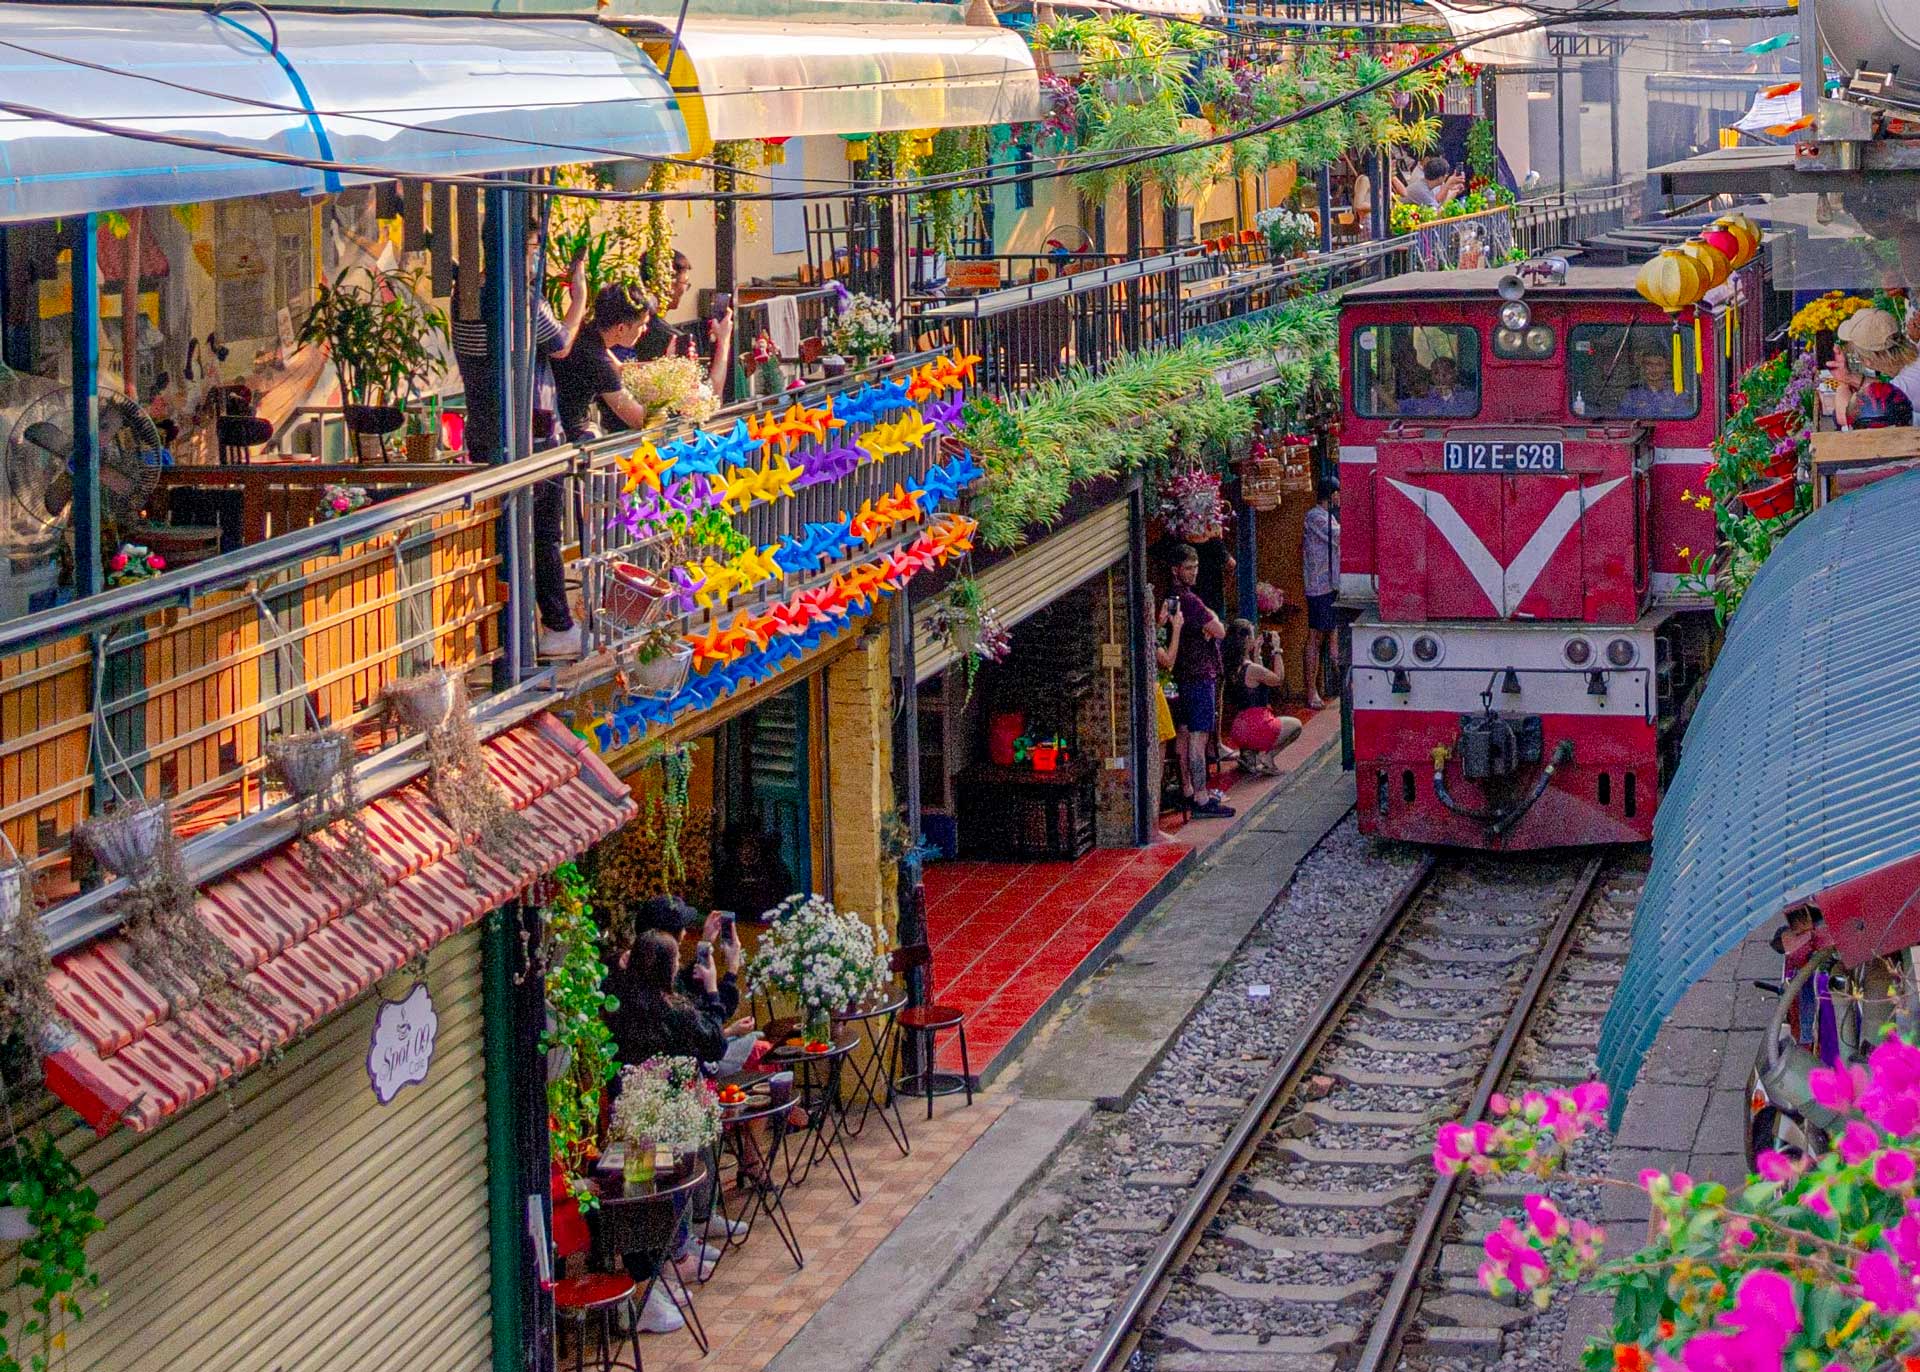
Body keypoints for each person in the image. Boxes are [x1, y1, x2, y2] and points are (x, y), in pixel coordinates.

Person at [1167, 544, 1232, 818]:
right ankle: (1202, 797)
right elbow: (1219, 630)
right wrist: (1213, 619)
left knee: (1184, 734)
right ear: (1176, 570)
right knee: (1198, 737)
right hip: (1198, 675)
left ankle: (1188, 791)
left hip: (1182, 675)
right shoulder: (1191, 601)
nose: (1193, 573)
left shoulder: (1174, 598)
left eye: (1195, 567)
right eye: (1189, 568)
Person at [551, 283, 655, 443]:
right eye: (642, 324)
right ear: (621, 328)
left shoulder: (586, 333)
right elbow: (638, 420)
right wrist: (668, 398)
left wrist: (666, 370)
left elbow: (620, 369)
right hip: (573, 439)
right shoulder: (597, 360)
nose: (645, 330)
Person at [633, 251, 736, 394]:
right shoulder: (671, 339)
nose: (684, 289)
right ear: (667, 284)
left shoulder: (624, 329)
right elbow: (709, 397)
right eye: (685, 283)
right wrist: (723, 342)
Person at [1223, 620, 1303, 775]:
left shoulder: (1235, 666)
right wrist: (1277, 650)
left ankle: (1249, 755)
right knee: (1296, 725)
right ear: (1246, 640)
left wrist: (1257, 653)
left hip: (1239, 727)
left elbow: (1258, 681)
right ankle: (1268, 757)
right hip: (1257, 725)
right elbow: (1277, 679)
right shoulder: (1252, 669)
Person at [1831, 306, 1920, 420]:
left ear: (1868, 360)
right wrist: (1849, 377)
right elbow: (1887, 388)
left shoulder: (1905, 387)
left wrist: (1842, 384)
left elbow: (1849, 420)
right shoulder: (1912, 363)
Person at [1301, 481, 1341, 710]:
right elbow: (1338, 537)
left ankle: (1338, 686)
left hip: (1331, 584)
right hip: (1319, 585)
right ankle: (1311, 690)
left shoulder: (1328, 517)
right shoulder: (1315, 517)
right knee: (1316, 637)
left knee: (1333, 634)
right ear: (1333, 495)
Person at [1617, 348, 1694, 419]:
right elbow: (1623, 419)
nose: (1654, 369)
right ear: (1643, 366)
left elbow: (1682, 421)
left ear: (1667, 367)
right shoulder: (1632, 394)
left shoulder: (1677, 392)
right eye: (1649, 364)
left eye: (1659, 364)